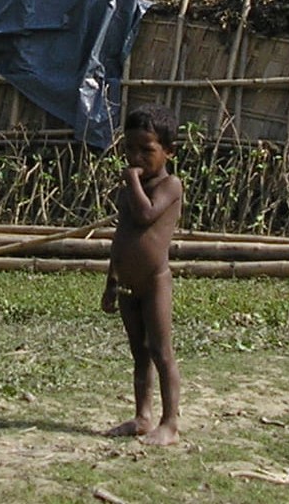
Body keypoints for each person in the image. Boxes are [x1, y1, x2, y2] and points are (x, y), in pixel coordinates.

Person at [101, 104, 184, 445]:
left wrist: (133, 180)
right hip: (127, 284)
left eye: (146, 150)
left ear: (168, 152)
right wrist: (110, 282)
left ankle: (170, 423)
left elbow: (147, 214)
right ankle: (142, 416)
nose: (136, 158)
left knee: (161, 352)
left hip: (154, 283)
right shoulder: (128, 192)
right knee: (139, 353)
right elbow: (121, 238)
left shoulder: (170, 185)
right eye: (129, 149)